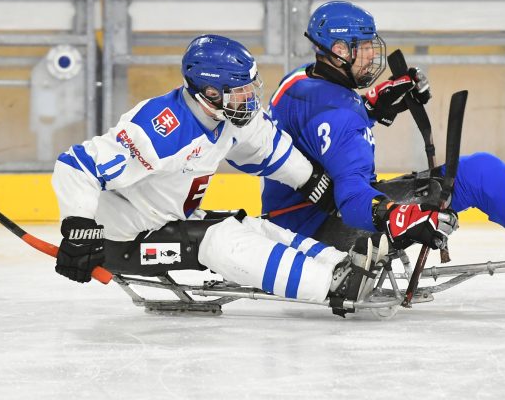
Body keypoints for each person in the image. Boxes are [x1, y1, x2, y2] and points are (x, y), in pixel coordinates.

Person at [261, 1, 505, 270]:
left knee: (465, 173)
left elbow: (318, 133)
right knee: (477, 174)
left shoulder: (299, 82)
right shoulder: (343, 119)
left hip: (291, 224)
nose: (373, 56)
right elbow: (354, 199)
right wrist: (397, 216)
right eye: (365, 47)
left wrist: (375, 103)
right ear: (339, 51)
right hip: (324, 237)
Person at [51, 34, 388, 306]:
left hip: (165, 219)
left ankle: (338, 263)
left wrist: (315, 183)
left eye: (249, 88)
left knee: (247, 226)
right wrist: (80, 230)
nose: (249, 98)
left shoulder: (224, 116)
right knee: (219, 241)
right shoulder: (160, 129)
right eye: (240, 91)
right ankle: (332, 285)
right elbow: (76, 165)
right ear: (210, 92)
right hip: (124, 239)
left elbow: (268, 146)